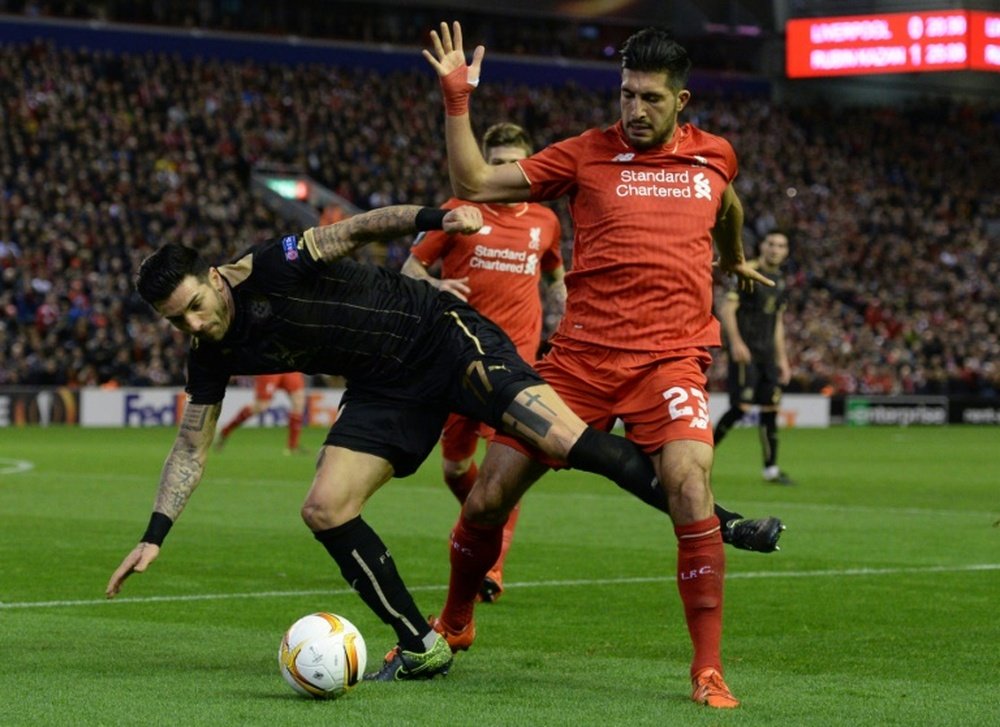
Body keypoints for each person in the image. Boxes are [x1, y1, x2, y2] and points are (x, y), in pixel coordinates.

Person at [104, 203, 709, 683]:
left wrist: (435, 217)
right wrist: (154, 534)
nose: (192, 324)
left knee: (567, 440)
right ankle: (423, 645)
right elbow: (190, 444)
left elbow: (358, 228)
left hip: (434, 334)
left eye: (194, 307)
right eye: (175, 320)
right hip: (384, 387)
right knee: (324, 507)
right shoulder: (208, 352)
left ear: (212, 278)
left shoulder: (272, 265)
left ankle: (717, 520)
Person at [424, 21, 782, 708]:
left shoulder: (715, 158)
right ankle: (455, 622)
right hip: (579, 362)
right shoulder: (585, 155)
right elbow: (470, 178)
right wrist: (457, 99)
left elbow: (729, 203)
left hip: (670, 360)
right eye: (625, 95)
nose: (634, 111)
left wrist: (733, 256)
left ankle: (706, 669)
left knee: (688, 482)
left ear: (681, 102)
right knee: (487, 496)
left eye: (649, 98)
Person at [402, 121, 566, 603]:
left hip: (515, 368)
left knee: (503, 473)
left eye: (511, 163)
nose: (501, 171)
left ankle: (492, 564)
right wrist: (434, 287)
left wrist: (567, 306)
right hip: (456, 360)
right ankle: (479, 518)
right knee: (455, 471)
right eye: (493, 163)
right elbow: (410, 271)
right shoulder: (458, 212)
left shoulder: (545, 221)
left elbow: (556, 273)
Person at [713, 231, 795, 485]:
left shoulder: (780, 281)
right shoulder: (746, 271)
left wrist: (782, 359)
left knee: (771, 408)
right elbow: (727, 309)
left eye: (781, 245)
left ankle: (771, 469)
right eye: (771, 244)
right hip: (746, 352)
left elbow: (777, 322)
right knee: (742, 408)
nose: (775, 249)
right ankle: (698, 458)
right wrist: (735, 343)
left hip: (767, 356)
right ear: (762, 246)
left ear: (786, 251)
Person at [214, 372, 308, 455]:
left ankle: (293, 446)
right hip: (271, 365)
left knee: (298, 401)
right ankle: (226, 430)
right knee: (261, 405)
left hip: (290, 365)